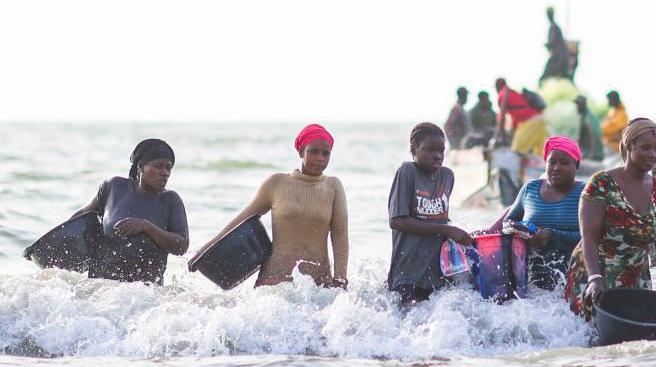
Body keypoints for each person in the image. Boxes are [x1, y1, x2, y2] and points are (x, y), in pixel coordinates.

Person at [191, 124, 349, 288]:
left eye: (326, 153)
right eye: (314, 151)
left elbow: (340, 235)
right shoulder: (276, 183)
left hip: (318, 284)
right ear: (301, 151)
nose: (320, 158)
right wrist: (204, 250)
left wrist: (341, 278)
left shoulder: (333, 186)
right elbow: (242, 220)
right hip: (273, 284)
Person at [564, 118, 656, 321]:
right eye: (645, 148)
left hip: (635, 277)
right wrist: (594, 278)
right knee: (589, 339)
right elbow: (589, 237)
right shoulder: (601, 184)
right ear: (628, 146)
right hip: (595, 273)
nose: (653, 154)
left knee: (632, 342)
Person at [72, 139, 188, 285]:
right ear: (141, 167)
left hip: (144, 297)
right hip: (99, 290)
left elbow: (181, 246)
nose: (165, 173)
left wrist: (146, 226)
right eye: (158, 166)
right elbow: (79, 219)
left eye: (168, 168)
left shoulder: (171, 200)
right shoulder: (114, 188)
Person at [387, 122, 474, 304]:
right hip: (407, 273)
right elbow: (397, 221)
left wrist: (460, 236)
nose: (437, 156)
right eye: (429, 150)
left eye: (441, 150)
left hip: (437, 273)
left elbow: (441, 218)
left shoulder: (447, 176)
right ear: (414, 149)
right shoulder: (407, 171)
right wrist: (447, 230)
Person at [490, 136, 584, 290]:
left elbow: (591, 237)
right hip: (528, 278)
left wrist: (552, 235)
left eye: (564, 163)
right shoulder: (530, 188)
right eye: (551, 162)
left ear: (577, 165)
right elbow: (508, 222)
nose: (556, 167)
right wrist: (521, 231)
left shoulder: (585, 194)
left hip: (570, 280)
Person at [495, 78, 549, 156]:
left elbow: (502, 118)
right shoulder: (514, 92)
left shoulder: (502, 95)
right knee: (541, 154)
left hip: (529, 122)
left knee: (517, 153)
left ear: (497, 86)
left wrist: (501, 136)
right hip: (541, 119)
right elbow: (516, 114)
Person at [541, 7, 572, 82]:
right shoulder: (554, 27)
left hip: (558, 57)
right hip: (560, 56)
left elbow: (552, 41)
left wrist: (548, 45)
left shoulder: (554, 27)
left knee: (545, 76)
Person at [575, 95, 604, 162]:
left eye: (578, 105)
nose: (576, 107)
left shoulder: (588, 118)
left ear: (582, 105)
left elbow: (593, 136)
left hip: (594, 154)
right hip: (589, 152)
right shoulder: (585, 116)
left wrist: (591, 155)